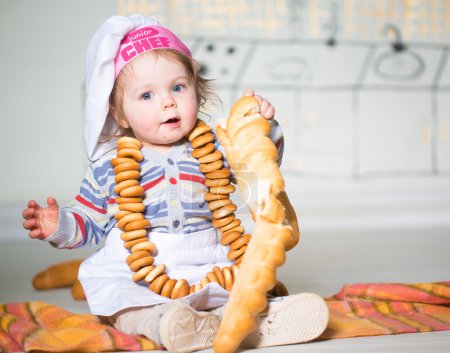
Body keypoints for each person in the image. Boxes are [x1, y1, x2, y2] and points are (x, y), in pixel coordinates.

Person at [22, 14, 328, 353]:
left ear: (196, 90)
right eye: (147, 96)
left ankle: (253, 319)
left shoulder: (214, 146)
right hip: (140, 267)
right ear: (119, 114)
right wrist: (57, 225)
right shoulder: (110, 166)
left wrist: (264, 129)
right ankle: (164, 324)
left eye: (178, 88)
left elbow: (257, 167)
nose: (168, 101)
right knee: (124, 306)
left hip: (209, 258)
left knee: (246, 285)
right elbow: (89, 222)